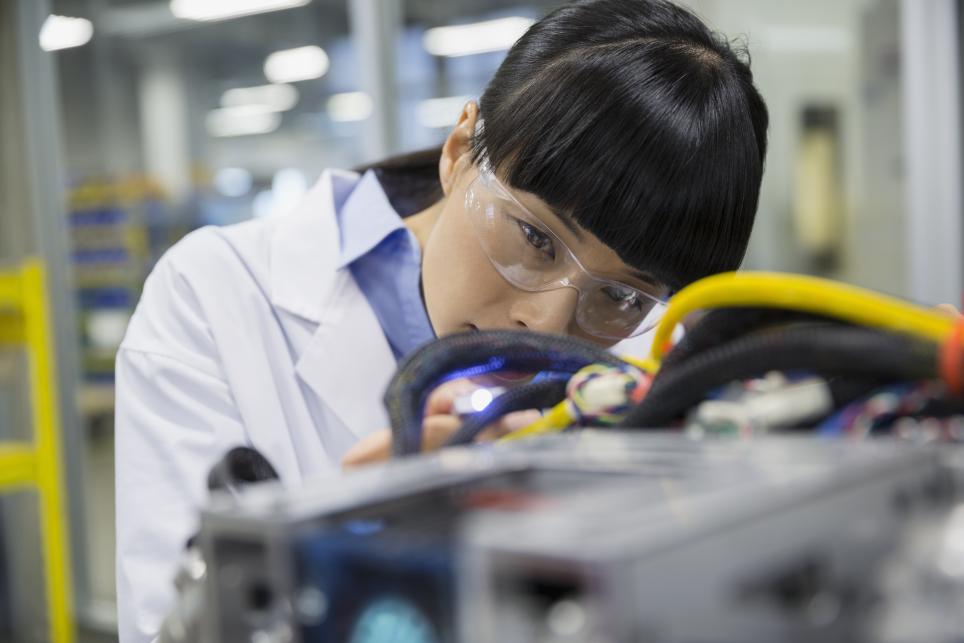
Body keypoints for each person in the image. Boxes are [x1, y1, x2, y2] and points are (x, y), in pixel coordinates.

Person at [114, 0, 769, 640]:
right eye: (535, 239)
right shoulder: (217, 295)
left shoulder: (650, 360)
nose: (542, 324)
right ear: (459, 151)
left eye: (621, 295)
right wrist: (354, 550)